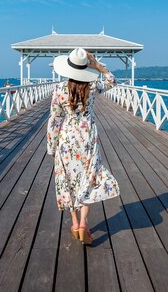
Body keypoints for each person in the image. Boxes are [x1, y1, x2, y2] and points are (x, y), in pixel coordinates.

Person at [46, 47, 120, 245]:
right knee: (89, 177)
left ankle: (75, 222)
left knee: (68, 179)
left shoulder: (60, 89)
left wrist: (51, 147)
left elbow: (54, 119)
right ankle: (85, 223)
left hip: (67, 139)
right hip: (87, 137)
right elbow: (113, 81)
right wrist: (99, 67)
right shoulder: (92, 87)